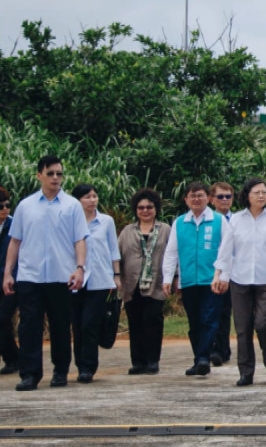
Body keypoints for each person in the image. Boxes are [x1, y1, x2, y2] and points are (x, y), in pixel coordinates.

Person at [3, 156, 89, 391]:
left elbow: (80, 239)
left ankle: (60, 371)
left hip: (62, 276)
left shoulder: (71, 206)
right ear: (39, 175)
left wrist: (80, 268)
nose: (55, 178)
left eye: (59, 174)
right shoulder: (25, 206)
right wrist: (8, 273)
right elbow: (15, 241)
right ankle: (29, 374)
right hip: (30, 276)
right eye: (50, 173)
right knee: (29, 326)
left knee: (61, 325)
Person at [212, 179, 266, 386]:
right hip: (241, 279)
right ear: (247, 195)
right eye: (256, 192)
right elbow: (226, 250)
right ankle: (246, 371)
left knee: (262, 323)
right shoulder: (236, 220)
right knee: (243, 327)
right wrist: (220, 275)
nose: (261, 196)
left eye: (264, 192)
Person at [162, 181, 223, 377]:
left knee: (208, 319)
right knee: (194, 322)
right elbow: (171, 252)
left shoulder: (219, 220)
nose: (196, 199)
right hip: (188, 280)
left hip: (211, 279)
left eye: (200, 195)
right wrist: (167, 278)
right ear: (186, 199)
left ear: (208, 198)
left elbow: (227, 250)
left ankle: (204, 357)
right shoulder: (180, 222)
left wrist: (223, 275)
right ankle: (199, 359)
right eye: (192, 196)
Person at [69, 184, 121, 383]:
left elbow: (113, 250)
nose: (92, 200)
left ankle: (88, 367)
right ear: (77, 200)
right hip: (76, 280)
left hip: (100, 279)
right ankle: (79, 363)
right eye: (87, 197)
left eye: (94, 196)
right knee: (77, 324)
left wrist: (116, 276)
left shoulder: (106, 221)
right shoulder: (71, 221)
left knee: (90, 323)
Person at [118, 189, 169, 375]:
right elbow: (118, 255)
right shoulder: (127, 231)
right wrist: (116, 277)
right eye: (141, 207)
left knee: (153, 321)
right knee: (135, 323)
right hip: (132, 285)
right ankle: (138, 362)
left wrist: (174, 278)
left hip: (156, 283)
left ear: (156, 208)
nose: (145, 210)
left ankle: (152, 360)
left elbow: (172, 256)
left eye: (149, 207)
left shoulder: (165, 230)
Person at [209, 182, 235, 366]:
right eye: (220, 196)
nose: (224, 200)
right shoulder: (208, 220)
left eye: (228, 196)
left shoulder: (238, 220)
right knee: (211, 313)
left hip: (234, 274)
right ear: (212, 200)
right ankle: (213, 348)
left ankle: (222, 349)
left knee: (225, 312)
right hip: (210, 272)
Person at [0, 187, 17, 375]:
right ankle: (11, 358)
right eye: (1, 206)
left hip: (13, 280)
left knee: (3, 318)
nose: (5, 209)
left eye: (7, 205)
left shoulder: (13, 226)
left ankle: (13, 357)